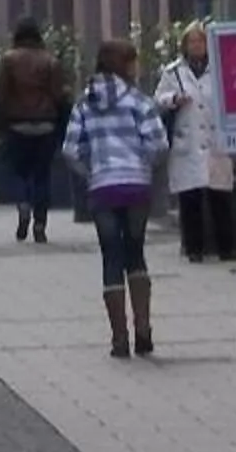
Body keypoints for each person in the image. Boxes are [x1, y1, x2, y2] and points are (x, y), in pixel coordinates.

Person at [66, 39, 171, 358]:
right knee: (135, 253)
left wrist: (92, 171)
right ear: (124, 66)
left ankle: (119, 338)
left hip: (103, 187)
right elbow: (159, 144)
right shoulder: (139, 102)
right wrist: (144, 167)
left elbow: (70, 150)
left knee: (111, 257)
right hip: (136, 185)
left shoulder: (84, 104)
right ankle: (143, 331)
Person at [154, 22, 236, 262]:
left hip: (214, 139)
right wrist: (173, 99)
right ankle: (194, 249)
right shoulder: (173, 72)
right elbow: (158, 99)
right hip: (187, 139)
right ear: (184, 46)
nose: (197, 46)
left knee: (220, 197)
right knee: (190, 200)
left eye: (200, 41)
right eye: (192, 42)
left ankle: (226, 248)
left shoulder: (220, 69)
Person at [0, 17, 70, 244]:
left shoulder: (9, 60)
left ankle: (23, 204)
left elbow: (1, 92)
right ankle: (41, 222)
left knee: (18, 171)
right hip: (45, 123)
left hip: (17, 123)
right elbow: (58, 94)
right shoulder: (50, 61)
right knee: (42, 174)